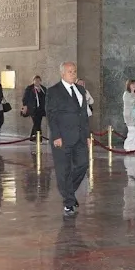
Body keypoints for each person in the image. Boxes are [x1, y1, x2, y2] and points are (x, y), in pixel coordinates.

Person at [45, 61, 91, 217]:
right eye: (70, 71)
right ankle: (69, 203)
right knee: (63, 170)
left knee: (83, 164)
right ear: (62, 73)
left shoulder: (80, 89)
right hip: (62, 138)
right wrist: (56, 135)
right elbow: (51, 115)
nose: (73, 74)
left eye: (75, 71)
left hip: (79, 137)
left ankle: (69, 192)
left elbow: (83, 115)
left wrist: (87, 136)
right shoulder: (54, 91)